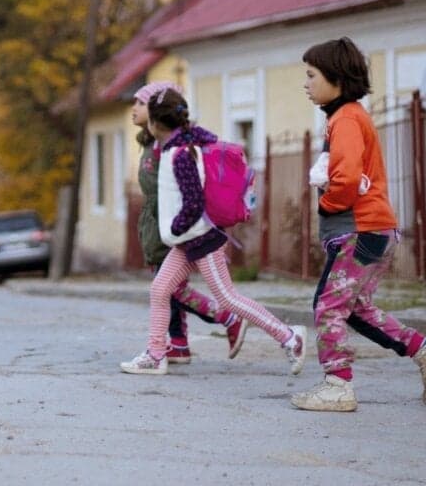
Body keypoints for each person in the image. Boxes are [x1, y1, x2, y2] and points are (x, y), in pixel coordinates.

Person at [290, 38, 426, 412]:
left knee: (328, 307)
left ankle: (338, 385)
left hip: (359, 230)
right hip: (369, 230)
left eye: (311, 75)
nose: (306, 83)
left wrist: (329, 206)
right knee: (354, 308)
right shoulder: (346, 116)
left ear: (336, 77)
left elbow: (346, 179)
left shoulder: (346, 117)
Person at [119, 88, 306, 375]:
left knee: (229, 299)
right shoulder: (178, 145)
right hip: (186, 241)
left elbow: (194, 203)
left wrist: (175, 227)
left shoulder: (180, 155)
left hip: (201, 239)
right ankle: (156, 355)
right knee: (159, 290)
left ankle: (290, 337)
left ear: (156, 124)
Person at [131, 81, 245, 364]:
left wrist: (174, 225)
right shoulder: (150, 142)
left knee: (169, 287)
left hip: (171, 222)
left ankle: (228, 317)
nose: (133, 109)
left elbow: (182, 189)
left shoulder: (166, 144)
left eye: (140, 103)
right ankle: (178, 343)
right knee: (166, 286)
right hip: (157, 221)